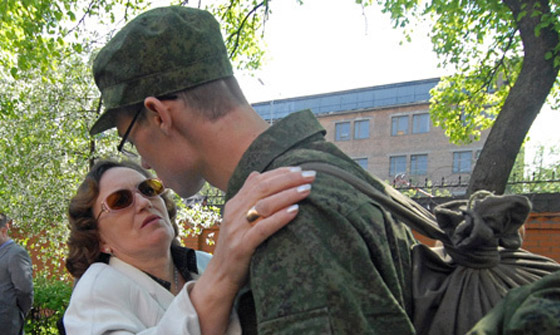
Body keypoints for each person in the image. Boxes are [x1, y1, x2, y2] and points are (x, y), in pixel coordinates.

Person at [88, 6, 418, 334]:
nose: (143, 162)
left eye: (129, 137)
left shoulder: (282, 215)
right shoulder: (323, 171)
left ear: (159, 115)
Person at [63, 159, 315, 334]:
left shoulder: (204, 263)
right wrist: (224, 270)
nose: (143, 202)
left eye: (148, 189)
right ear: (99, 239)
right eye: (120, 200)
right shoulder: (96, 290)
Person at [0, 212, 34, 335]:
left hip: (6, 325)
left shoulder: (16, 254)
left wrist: (18, 313)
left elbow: (25, 291)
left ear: (4, 231)